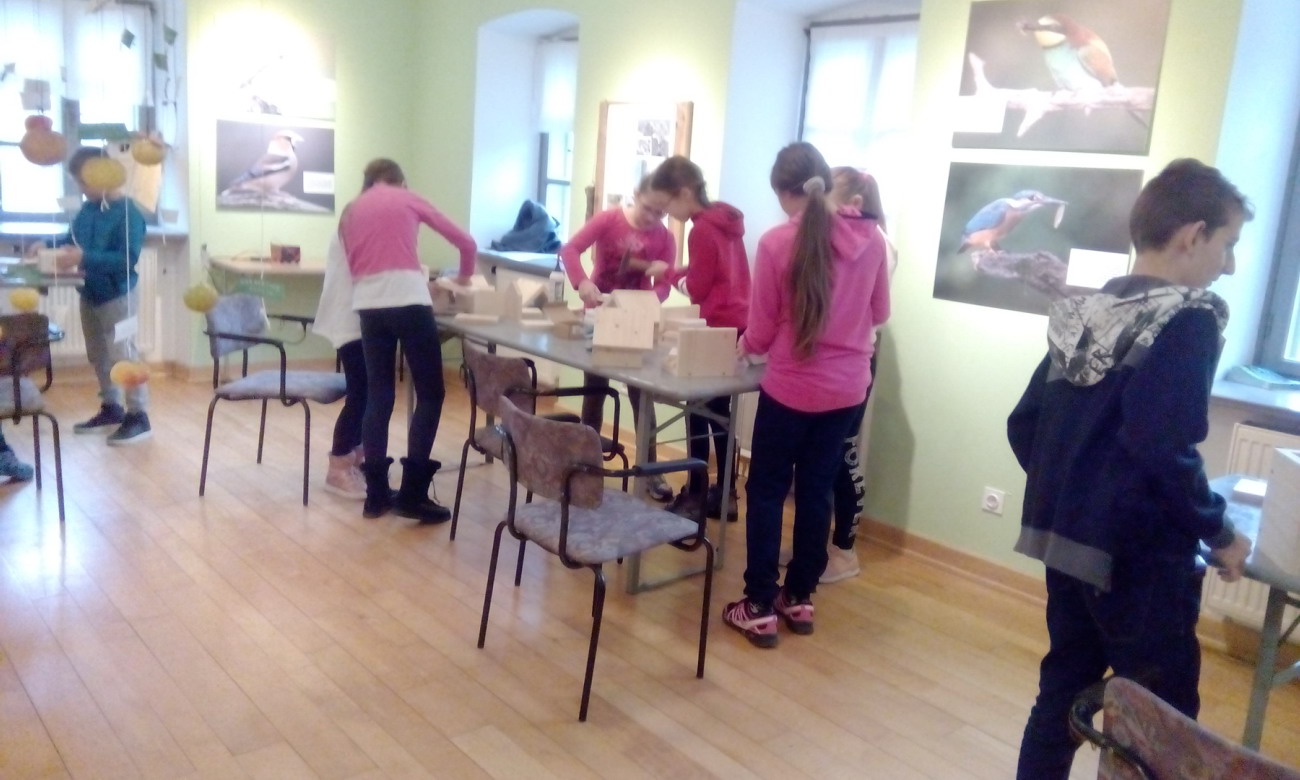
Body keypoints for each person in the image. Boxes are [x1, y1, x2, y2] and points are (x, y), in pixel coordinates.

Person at [1008, 158, 1254, 779]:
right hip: (1137, 563)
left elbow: (1025, 423)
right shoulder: (1190, 318)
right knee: (1162, 723)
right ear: (1193, 235)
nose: (1229, 265)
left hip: (1067, 546)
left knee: (1062, 693)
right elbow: (1162, 445)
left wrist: (1074, 497)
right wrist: (1219, 530)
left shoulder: (1085, 311)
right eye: (1228, 244)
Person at [723, 142, 890, 648]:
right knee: (817, 491)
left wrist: (742, 349)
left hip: (792, 389)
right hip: (847, 390)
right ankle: (798, 596)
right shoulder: (872, 239)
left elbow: (761, 330)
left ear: (783, 191)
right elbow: (880, 313)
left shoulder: (777, 243)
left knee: (768, 491)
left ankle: (757, 605)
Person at [339, 158, 476, 523]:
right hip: (410, 303)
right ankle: (413, 495)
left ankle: (376, 497)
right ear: (400, 181)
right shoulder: (407, 197)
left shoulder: (352, 210)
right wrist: (463, 279)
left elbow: (355, 266)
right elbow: (466, 243)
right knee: (431, 393)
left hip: (368, 306)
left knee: (379, 394)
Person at [559, 175, 677, 501]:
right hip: (599, 316)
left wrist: (653, 297)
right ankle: (585, 463)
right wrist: (582, 282)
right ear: (635, 194)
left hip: (636, 321)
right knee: (594, 392)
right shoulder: (608, 220)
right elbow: (570, 249)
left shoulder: (665, 237)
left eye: (660, 212)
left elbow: (665, 282)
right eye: (648, 208)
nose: (652, 217)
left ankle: (650, 470)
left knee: (642, 397)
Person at [645, 156, 750, 520]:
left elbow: (698, 288)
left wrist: (668, 274)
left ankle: (696, 492)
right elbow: (717, 272)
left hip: (713, 325)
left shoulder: (700, 229)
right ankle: (726, 493)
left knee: (696, 411)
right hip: (737, 325)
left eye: (667, 204)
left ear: (685, 192)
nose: (668, 213)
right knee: (720, 413)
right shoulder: (726, 220)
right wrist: (680, 270)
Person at [34, 147, 150, 445]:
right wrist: (46, 243)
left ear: (103, 176)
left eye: (83, 182)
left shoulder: (129, 214)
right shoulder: (87, 210)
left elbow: (126, 260)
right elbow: (70, 240)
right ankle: (111, 408)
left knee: (124, 355)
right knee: (99, 354)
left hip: (119, 297)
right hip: (89, 294)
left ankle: (138, 415)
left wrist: (83, 257)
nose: (82, 189)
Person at [817, 166, 899, 583]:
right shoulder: (860, 238)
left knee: (842, 457)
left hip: (854, 361)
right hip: (836, 361)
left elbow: (873, 311)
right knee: (823, 459)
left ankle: (845, 551)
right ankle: (818, 545)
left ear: (854, 204)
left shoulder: (875, 243)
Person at [313, 232, 366, 500]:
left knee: (369, 393)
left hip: (360, 317)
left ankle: (355, 458)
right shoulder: (355, 223)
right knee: (361, 393)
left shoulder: (364, 221)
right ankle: (338, 467)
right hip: (350, 318)